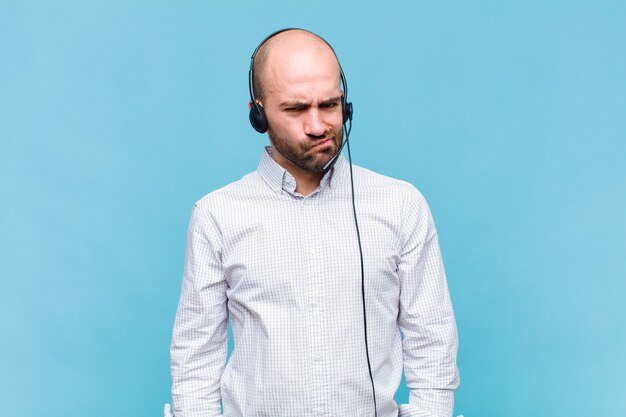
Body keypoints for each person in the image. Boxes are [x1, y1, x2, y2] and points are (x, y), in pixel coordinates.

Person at [170, 28, 459, 417]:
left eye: (330, 105)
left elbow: (432, 342)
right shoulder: (216, 216)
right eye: (295, 109)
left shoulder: (401, 205)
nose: (318, 125)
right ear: (258, 113)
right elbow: (195, 363)